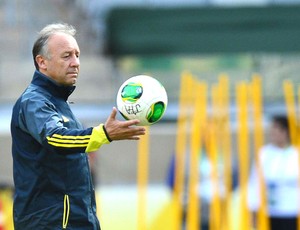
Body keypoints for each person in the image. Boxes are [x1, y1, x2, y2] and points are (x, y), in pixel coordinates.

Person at [10, 23, 146, 230]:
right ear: (42, 62)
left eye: (77, 55)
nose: (75, 63)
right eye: (66, 56)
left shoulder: (58, 103)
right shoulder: (34, 101)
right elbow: (55, 137)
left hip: (74, 219)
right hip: (52, 223)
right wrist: (103, 134)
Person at [247, 115, 299, 230]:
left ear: (286, 132)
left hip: (292, 212)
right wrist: (253, 209)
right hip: (269, 212)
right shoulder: (264, 154)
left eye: (276, 129)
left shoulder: (296, 154)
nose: (272, 133)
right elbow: (254, 183)